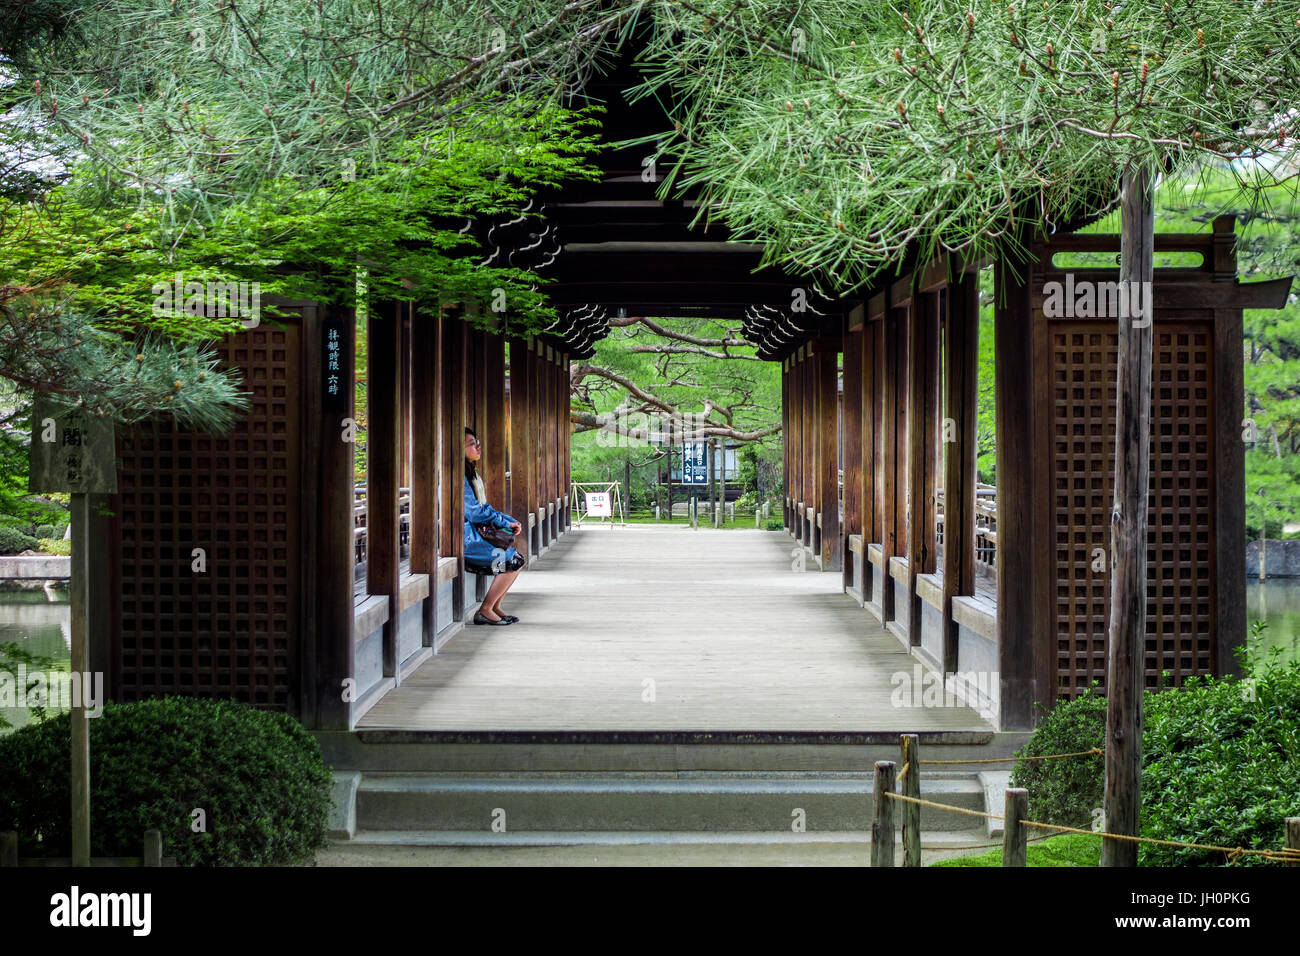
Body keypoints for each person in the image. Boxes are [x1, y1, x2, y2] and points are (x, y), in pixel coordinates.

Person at [464, 427, 525, 625]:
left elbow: (482, 508)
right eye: (472, 444)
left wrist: (507, 520)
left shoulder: (469, 474)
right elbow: (473, 512)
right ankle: (485, 609)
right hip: (463, 537)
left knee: (515, 558)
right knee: (513, 561)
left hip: (473, 533)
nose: (478, 447)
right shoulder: (456, 477)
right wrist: (503, 521)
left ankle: (494, 606)